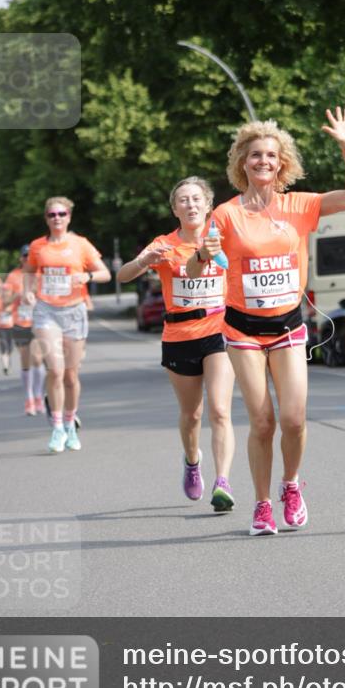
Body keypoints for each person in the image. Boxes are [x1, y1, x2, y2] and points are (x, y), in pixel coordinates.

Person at [193, 107, 345, 536]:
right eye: (255, 155)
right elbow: (201, 269)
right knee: (263, 421)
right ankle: (263, 504)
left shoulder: (299, 206)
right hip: (243, 330)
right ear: (242, 163)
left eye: (271, 155)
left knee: (294, 419)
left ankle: (290, 485)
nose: (263, 162)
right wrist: (202, 253)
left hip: (288, 328)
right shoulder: (226, 215)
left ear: (282, 162)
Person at [117, 177, 236, 512]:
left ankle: (223, 482)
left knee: (220, 409)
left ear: (209, 205)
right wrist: (144, 261)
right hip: (180, 335)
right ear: (175, 209)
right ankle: (192, 460)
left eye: (197, 199)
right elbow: (123, 276)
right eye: (183, 200)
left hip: (219, 330)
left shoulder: (223, 238)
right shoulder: (164, 244)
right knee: (192, 414)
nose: (191, 205)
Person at [23, 197, 111, 453]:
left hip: (74, 311)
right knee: (56, 369)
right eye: (52, 215)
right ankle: (57, 427)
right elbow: (29, 271)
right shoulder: (38, 246)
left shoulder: (80, 244)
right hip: (46, 311)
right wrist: (28, 292)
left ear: (69, 217)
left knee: (71, 375)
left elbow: (105, 273)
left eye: (61, 214)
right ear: (46, 218)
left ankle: (71, 423)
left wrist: (88, 275)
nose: (57, 218)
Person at [5, 245, 46, 415]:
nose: (27, 259)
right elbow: (5, 301)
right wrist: (19, 294)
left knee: (37, 358)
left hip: (38, 321)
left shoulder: (40, 275)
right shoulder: (13, 276)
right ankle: (28, 397)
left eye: (30, 256)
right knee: (25, 359)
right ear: (20, 258)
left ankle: (37, 396)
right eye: (24, 256)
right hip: (20, 322)